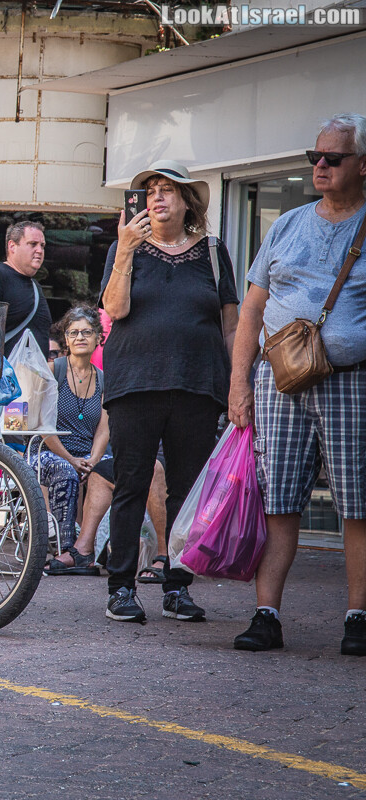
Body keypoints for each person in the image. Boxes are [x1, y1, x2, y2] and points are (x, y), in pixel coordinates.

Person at [228, 114, 366, 656]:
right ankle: (266, 615)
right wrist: (239, 384)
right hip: (278, 381)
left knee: (357, 503)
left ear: (363, 165)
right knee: (278, 500)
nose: (321, 166)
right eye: (315, 158)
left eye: (333, 158)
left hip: (350, 380)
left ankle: (357, 616)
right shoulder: (286, 225)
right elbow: (250, 311)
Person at [100, 159, 239, 624]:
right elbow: (115, 309)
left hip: (198, 385)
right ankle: (121, 587)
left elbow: (231, 326)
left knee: (186, 489)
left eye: (168, 189)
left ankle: (177, 586)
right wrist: (125, 249)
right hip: (135, 385)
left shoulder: (213, 252)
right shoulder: (125, 248)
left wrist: (237, 382)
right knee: (131, 485)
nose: (158, 196)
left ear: (187, 202)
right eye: (151, 190)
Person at [36, 306, 111, 576]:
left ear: (98, 338)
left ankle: (98, 548)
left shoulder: (103, 379)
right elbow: (43, 426)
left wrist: (92, 460)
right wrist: (71, 459)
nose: (80, 337)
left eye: (87, 332)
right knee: (66, 470)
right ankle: (66, 549)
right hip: (49, 450)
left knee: (112, 470)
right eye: (74, 332)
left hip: (87, 454)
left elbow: (103, 429)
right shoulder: (52, 370)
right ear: (65, 339)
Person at [0, 220, 52, 357]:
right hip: (3, 369)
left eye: (42, 245)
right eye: (33, 244)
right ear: (12, 246)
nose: (39, 250)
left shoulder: (34, 285)